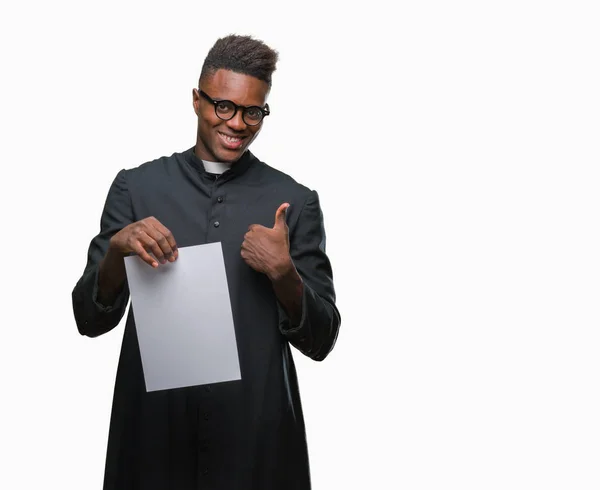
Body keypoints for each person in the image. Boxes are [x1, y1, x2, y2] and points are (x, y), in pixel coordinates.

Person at [71, 34, 341, 489]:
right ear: (197, 101)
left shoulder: (294, 202)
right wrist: (118, 248)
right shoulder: (135, 189)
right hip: (153, 440)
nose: (237, 123)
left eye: (252, 111)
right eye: (223, 106)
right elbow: (88, 319)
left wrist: (284, 274)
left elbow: (322, 340)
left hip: (256, 443)